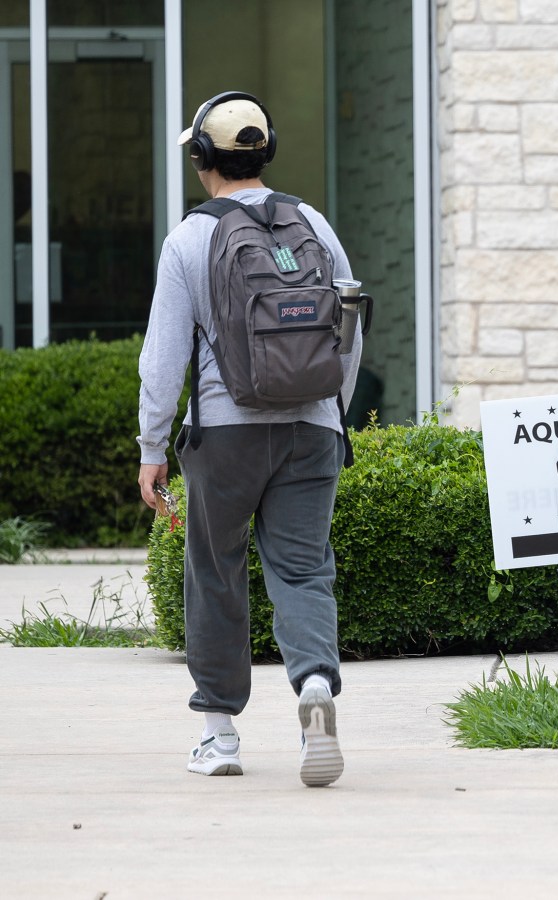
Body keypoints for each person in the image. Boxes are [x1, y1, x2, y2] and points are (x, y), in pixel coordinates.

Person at [136, 92, 361, 787]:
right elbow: (350, 325)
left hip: (225, 435)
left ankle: (220, 735)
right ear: (265, 153)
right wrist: (330, 409)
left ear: (203, 159)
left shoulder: (191, 237)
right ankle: (316, 686)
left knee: (214, 571)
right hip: (311, 428)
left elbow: (164, 355)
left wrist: (150, 447)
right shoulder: (313, 223)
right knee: (302, 570)